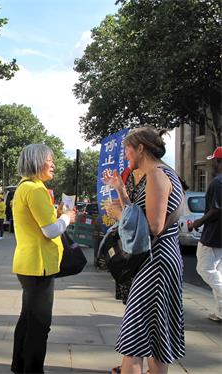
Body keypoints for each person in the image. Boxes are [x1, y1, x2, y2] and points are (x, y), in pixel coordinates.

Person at [103, 127, 185, 374]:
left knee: (134, 339)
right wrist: (120, 190)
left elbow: (154, 226)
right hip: (157, 260)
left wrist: (119, 213)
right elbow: (140, 212)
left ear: (141, 148)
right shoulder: (154, 174)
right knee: (158, 336)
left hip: (156, 263)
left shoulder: (157, 175)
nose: (125, 152)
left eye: (128, 147)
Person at [10, 144, 76, 374]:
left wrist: (58, 214)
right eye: (50, 160)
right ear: (37, 161)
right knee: (40, 325)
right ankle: (32, 369)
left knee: (27, 319)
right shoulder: (36, 189)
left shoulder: (25, 187)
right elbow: (49, 230)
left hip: (29, 263)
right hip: (39, 265)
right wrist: (67, 218)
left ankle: (20, 364)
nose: (54, 164)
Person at [189, 146, 222, 322]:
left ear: (218, 161)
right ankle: (220, 311)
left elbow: (215, 210)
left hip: (213, 234)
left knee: (205, 269)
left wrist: (197, 222)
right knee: (217, 271)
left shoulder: (218, 182)